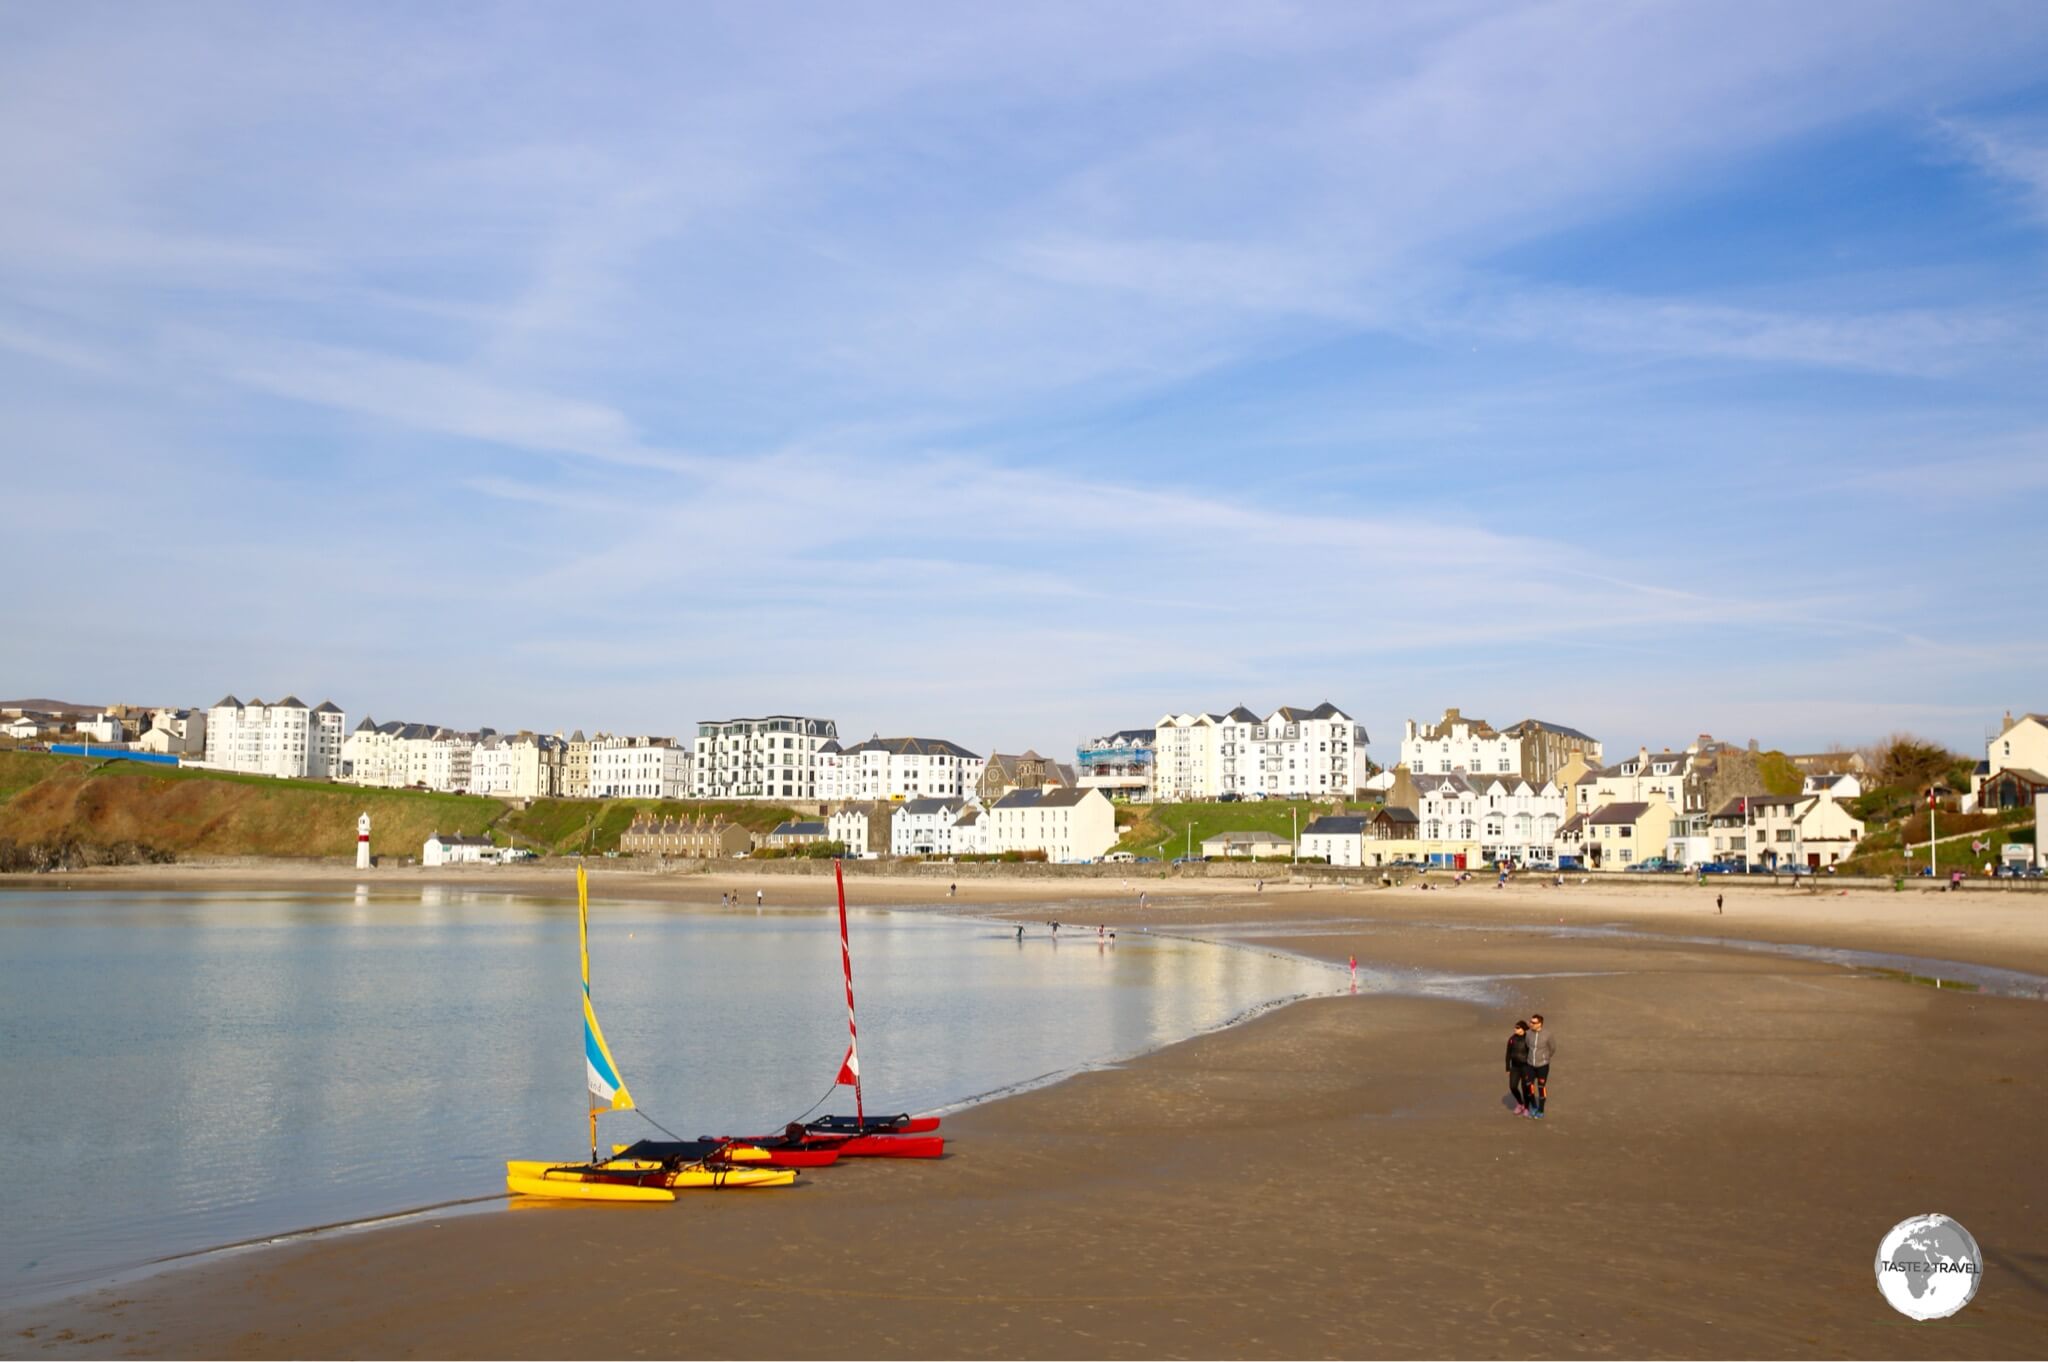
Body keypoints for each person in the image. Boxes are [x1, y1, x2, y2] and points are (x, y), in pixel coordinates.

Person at [1524, 1014, 1554, 1119]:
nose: (1530, 1024)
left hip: (1542, 1066)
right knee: (1529, 1086)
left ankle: (1541, 1110)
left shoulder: (1547, 1035)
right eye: (1530, 1021)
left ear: (1539, 1024)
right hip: (1530, 1065)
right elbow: (1527, 1045)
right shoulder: (1528, 1034)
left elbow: (1552, 1048)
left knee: (1541, 1088)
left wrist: (1545, 1058)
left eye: (1533, 1022)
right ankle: (1534, 1106)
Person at [1506, 1019, 1532, 1116]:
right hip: (1515, 1067)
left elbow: (1532, 1053)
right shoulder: (1512, 1039)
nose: (1515, 1029)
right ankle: (1520, 1103)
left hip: (1526, 1067)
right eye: (1515, 1027)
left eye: (1517, 1028)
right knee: (1512, 1086)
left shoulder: (1529, 1039)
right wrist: (1507, 1068)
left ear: (1523, 1029)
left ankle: (1526, 1107)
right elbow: (1508, 1054)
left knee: (1525, 1088)